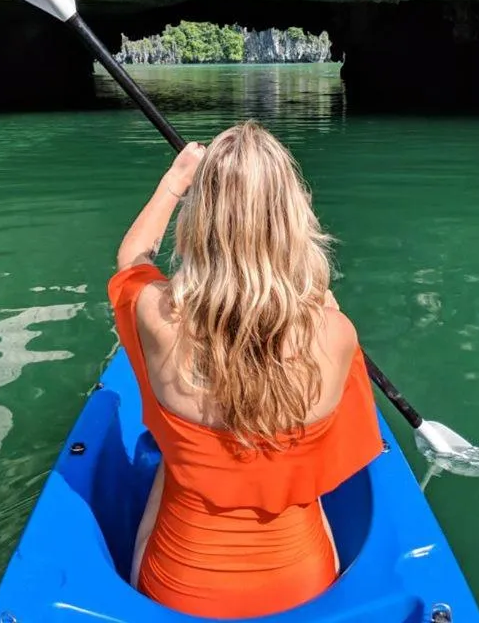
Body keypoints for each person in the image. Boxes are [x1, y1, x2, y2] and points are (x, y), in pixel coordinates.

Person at [108, 121, 383, 619]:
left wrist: (175, 180)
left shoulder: (157, 319)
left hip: (176, 586)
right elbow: (317, 296)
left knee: (171, 465)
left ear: (200, 221)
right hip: (302, 586)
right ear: (292, 220)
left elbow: (132, 260)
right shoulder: (335, 335)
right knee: (298, 478)